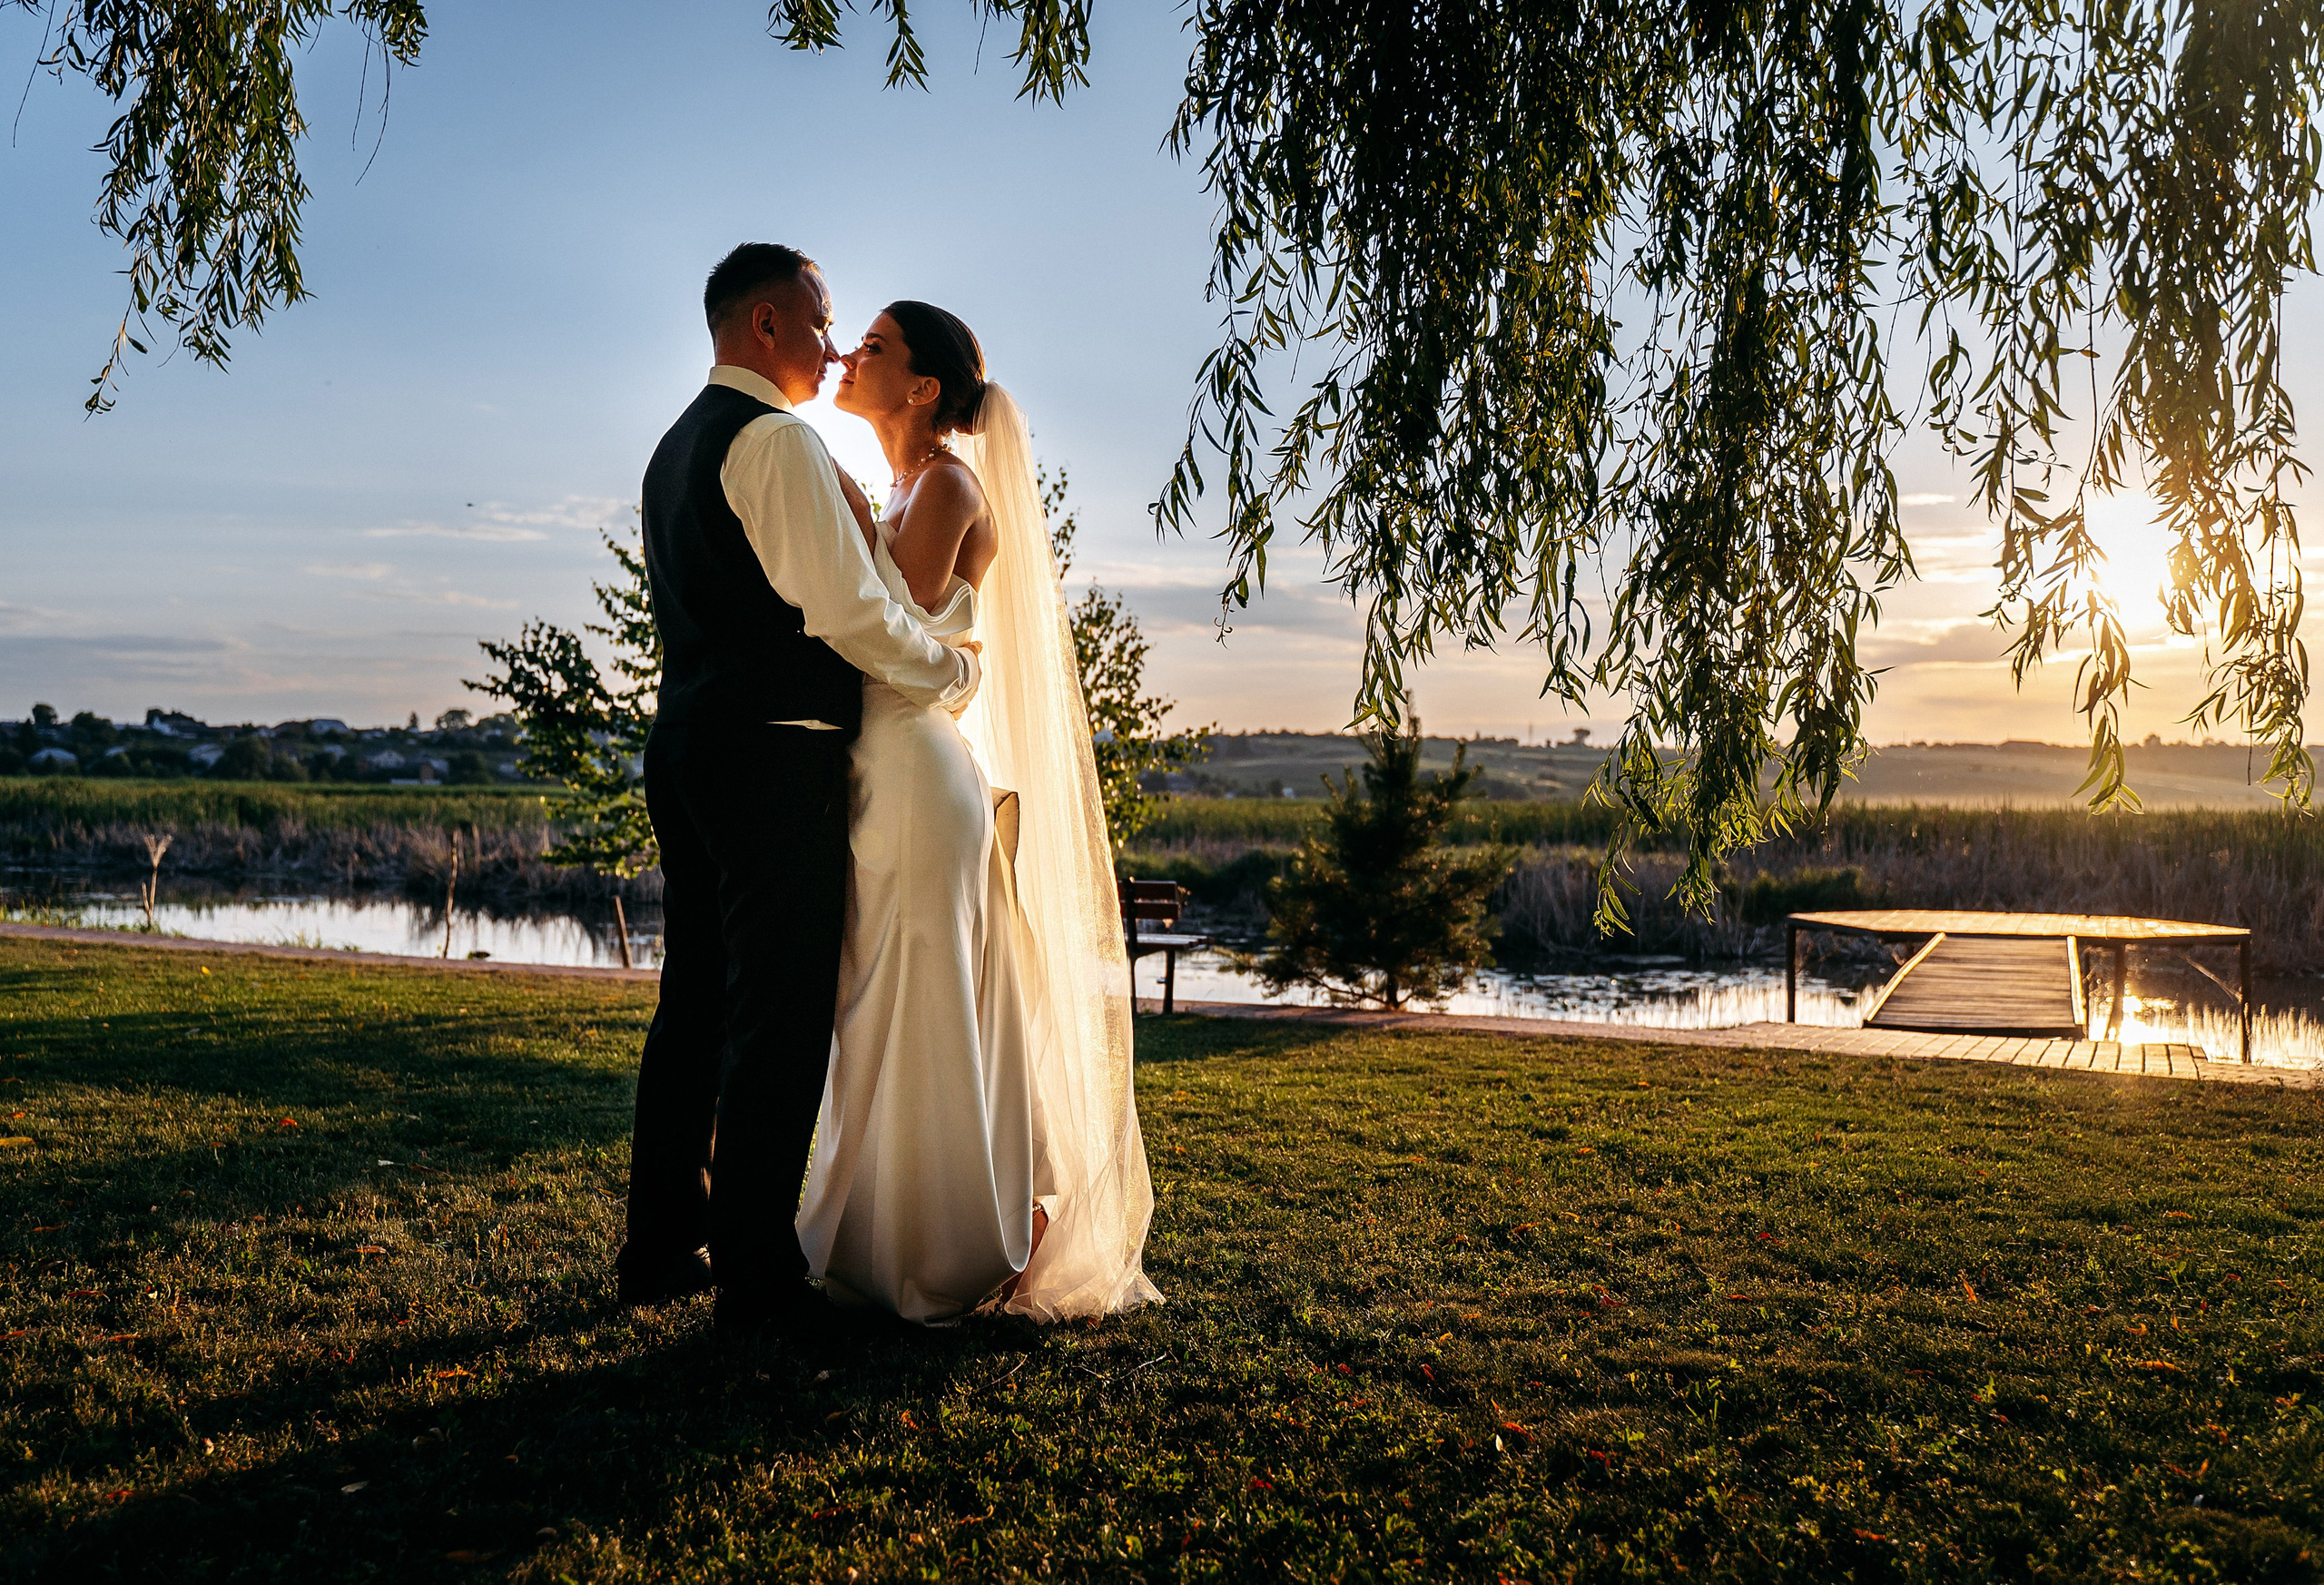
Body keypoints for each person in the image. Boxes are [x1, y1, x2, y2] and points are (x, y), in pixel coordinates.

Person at [615, 245, 980, 1336]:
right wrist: (951, 671)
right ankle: (758, 1275)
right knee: (776, 1019)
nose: (832, 347)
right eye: (822, 325)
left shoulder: (676, 445)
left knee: (696, 1004)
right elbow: (848, 615)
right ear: (766, 325)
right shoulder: (773, 442)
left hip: (686, 744)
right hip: (774, 755)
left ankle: (657, 1245)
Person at [795, 300, 1162, 1322]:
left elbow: (884, 625)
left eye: (873, 347)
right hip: (893, 761)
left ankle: (947, 1251)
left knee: (919, 1004)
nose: (850, 357)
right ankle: (891, 1234)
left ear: (921, 388)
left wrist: (833, 505)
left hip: (915, 771)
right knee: (892, 1001)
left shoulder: (948, 484)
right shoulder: (913, 483)